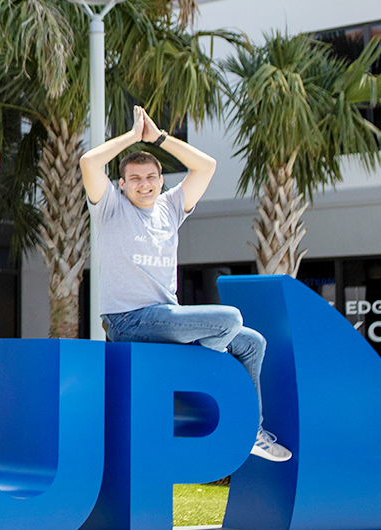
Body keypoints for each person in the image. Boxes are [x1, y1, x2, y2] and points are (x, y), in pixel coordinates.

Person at [77, 106, 291, 462]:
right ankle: (202, 372)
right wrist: (132, 137)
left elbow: (206, 166)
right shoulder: (111, 209)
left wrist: (159, 137)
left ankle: (250, 430)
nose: (144, 184)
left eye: (151, 177)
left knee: (253, 343)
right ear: (122, 184)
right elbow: (88, 161)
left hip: (167, 318)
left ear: (162, 180)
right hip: (129, 320)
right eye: (135, 178)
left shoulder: (170, 208)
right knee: (229, 320)